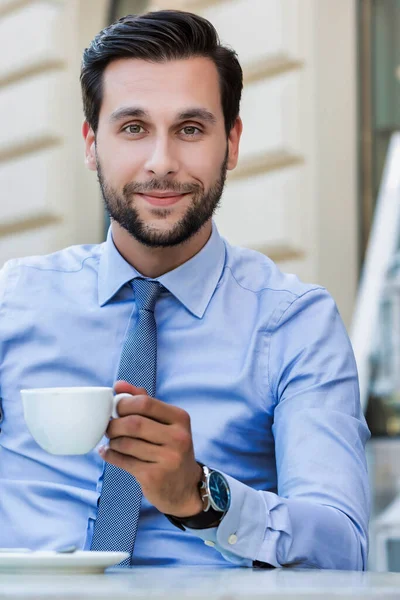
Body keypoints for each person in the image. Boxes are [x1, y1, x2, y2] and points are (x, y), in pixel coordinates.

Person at [0, 10, 370, 569]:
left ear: (233, 142)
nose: (162, 163)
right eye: (132, 128)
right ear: (91, 145)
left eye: (191, 129)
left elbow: (344, 550)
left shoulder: (296, 322)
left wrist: (201, 497)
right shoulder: (11, 302)